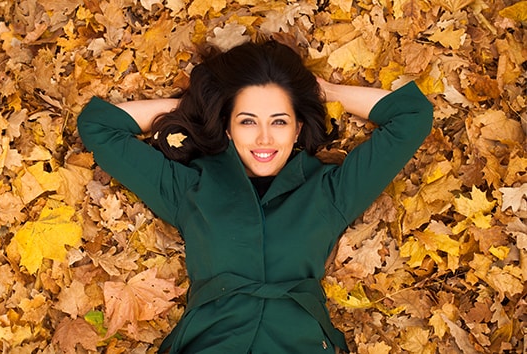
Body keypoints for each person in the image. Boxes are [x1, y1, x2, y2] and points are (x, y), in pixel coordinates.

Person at [76, 39, 434, 353]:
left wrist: (325, 92)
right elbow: (98, 126)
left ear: (298, 130)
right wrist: (197, 108)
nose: (264, 138)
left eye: (279, 121)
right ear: (228, 129)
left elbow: (412, 116)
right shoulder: (192, 188)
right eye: (247, 121)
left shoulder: (330, 192)